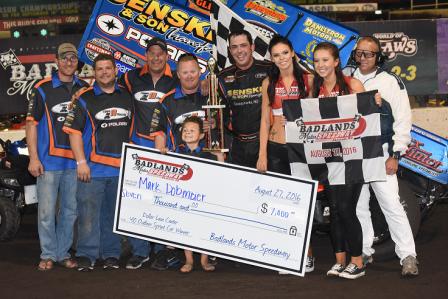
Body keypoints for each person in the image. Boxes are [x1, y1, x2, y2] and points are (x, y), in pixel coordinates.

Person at [345, 36, 418, 276]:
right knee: (358, 206)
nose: (363, 58)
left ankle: (408, 255)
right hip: (353, 153)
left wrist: (396, 154)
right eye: (359, 53)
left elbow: (403, 120)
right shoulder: (345, 77)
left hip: (381, 152)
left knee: (391, 205)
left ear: (379, 57)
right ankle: (364, 251)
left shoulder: (390, 82)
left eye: (369, 54)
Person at [63, 54, 133, 272]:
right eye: (100, 69)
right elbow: (73, 133)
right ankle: (86, 254)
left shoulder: (127, 97)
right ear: (95, 73)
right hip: (92, 169)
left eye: (108, 68)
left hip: (120, 168)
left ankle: (111, 255)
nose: (104, 72)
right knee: (88, 215)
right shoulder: (84, 98)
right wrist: (80, 162)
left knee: (112, 216)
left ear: (115, 71)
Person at [26, 42, 89, 271]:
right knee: (46, 211)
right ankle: (48, 254)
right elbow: (31, 125)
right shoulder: (42, 88)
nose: (69, 62)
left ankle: (62, 253)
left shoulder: (84, 88)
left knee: (70, 211)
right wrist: (34, 158)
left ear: (77, 63)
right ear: (56, 61)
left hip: (75, 162)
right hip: (48, 162)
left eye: (73, 58)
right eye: (64, 58)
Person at [256, 35, 315, 273]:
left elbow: (317, 116)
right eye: (276, 55)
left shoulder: (309, 81)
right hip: (276, 147)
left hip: (300, 149)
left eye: (284, 53)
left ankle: (308, 253)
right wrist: (262, 154)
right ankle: (289, 252)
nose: (281, 58)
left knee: (302, 202)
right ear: (271, 58)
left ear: (292, 53)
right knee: (282, 203)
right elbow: (264, 120)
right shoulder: (268, 83)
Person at [312, 42, 367, 279]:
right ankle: (340, 260)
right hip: (329, 158)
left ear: (336, 62)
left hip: (354, 157)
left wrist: (374, 103)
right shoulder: (315, 89)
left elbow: (369, 120)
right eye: (316, 61)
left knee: (346, 209)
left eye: (325, 60)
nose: (321, 65)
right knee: (334, 210)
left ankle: (358, 262)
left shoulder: (352, 85)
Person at [118, 37, 174, 270]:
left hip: (164, 148)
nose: (156, 57)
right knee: (137, 202)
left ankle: (161, 251)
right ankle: (140, 251)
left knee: (162, 201)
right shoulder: (130, 78)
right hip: (138, 147)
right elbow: (107, 85)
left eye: (160, 53)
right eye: (151, 53)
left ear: (167, 57)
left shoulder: (177, 79)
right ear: (146, 56)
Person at [175, 116, 224, 273]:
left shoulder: (208, 153)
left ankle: (204, 259)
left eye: (192, 130)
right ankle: (188, 259)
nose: (188, 133)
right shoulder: (177, 151)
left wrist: (220, 156)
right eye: (185, 130)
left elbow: (222, 173)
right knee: (185, 226)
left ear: (202, 135)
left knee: (205, 226)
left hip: (204, 198)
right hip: (184, 197)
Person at [218, 30, 271, 168]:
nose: (239, 51)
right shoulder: (221, 77)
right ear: (229, 50)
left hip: (267, 144)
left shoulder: (270, 69)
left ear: (252, 47)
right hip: (237, 147)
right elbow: (219, 111)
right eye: (234, 47)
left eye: (243, 45)